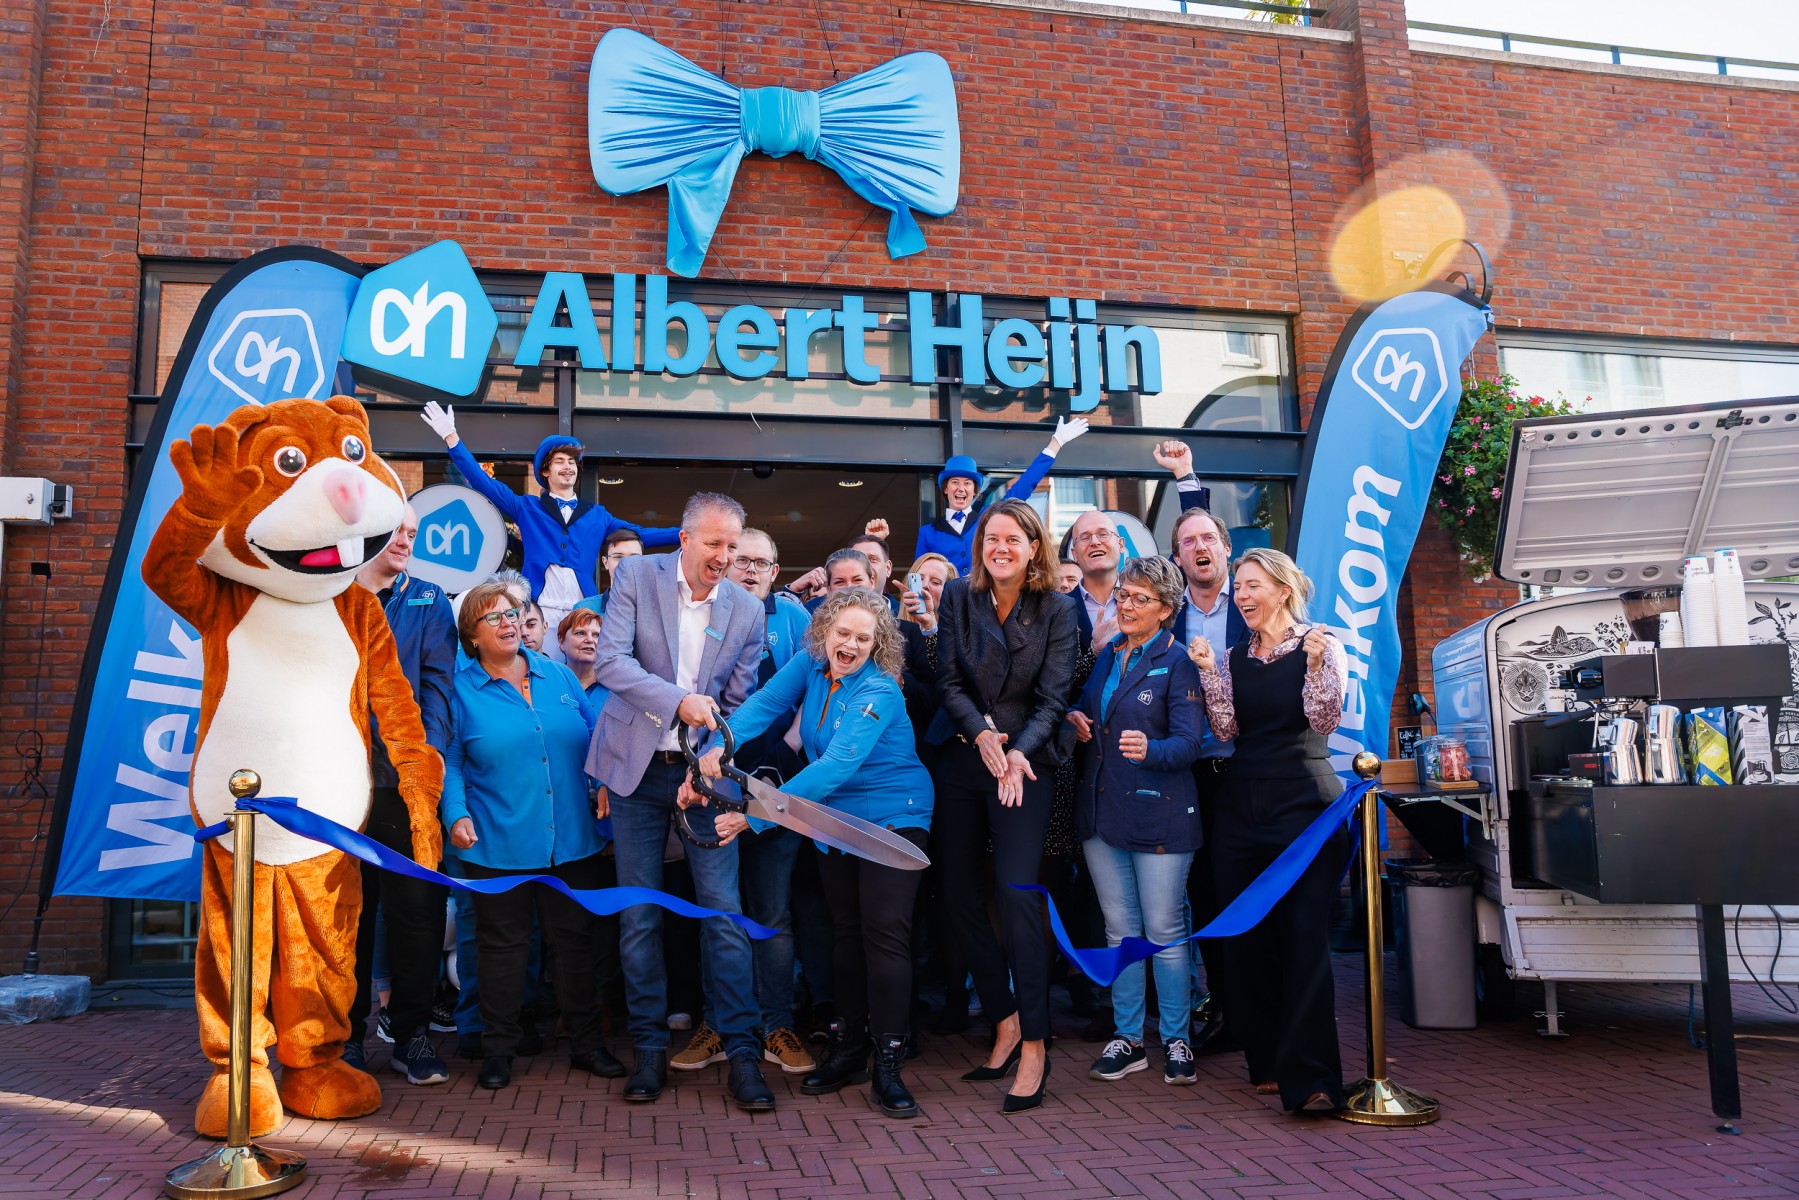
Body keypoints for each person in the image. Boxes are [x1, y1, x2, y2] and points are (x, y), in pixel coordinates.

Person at [697, 587, 934, 1119]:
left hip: (891, 818)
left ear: (878, 646)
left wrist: (757, 815)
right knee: (844, 932)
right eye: (842, 633)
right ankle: (849, 1049)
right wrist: (721, 743)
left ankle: (890, 1063)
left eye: (862, 638)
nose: (849, 645)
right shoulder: (810, 663)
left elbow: (835, 765)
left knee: (884, 937)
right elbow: (765, 705)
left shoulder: (880, 692)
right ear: (824, 629)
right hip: (829, 816)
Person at [588, 492, 777, 1112]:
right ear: (686, 539)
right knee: (639, 911)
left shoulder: (749, 610)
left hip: (704, 773)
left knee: (723, 912)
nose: (725, 558)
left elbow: (740, 702)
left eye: (734, 547)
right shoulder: (637, 575)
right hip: (634, 772)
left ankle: (743, 1053)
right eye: (715, 545)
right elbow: (611, 663)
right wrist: (676, 700)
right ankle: (648, 1049)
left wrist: (707, 756)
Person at [1187, 548, 1350, 1115]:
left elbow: (1327, 720)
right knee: (1247, 940)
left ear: (1283, 590)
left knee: (1303, 939)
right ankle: (1267, 1061)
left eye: (1252, 585)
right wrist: (1210, 674)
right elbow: (1226, 727)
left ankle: (1314, 1081)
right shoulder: (1233, 655)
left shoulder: (1320, 642)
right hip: (1239, 806)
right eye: (1238, 587)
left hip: (1305, 805)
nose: (1242, 596)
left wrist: (1315, 665)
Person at [440, 581, 622, 1091]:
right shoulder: (460, 691)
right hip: (497, 843)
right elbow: (451, 760)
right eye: (492, 617)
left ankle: (588, 1045)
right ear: (471, 637)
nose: (508, 623)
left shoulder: (558, 675)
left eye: (514, 613)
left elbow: (596, 738)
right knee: (502, 951)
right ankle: (497, 1051)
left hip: (573, 841)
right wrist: (455, 813)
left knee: (576, 947)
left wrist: (605, 778)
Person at [932, 498, 1078, 1115]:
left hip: (1028, 762)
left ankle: (1038, 1043)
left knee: (1018, 892)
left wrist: (1016, 750)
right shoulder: (958, 598)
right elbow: (949, 680)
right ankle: (1004, 1017)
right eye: (992, 538)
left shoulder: (1059, 608)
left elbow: (1053, 697)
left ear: (1033, 547)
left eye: (1013, 539)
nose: (1000, 548)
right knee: (956, 891)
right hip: (967, 756)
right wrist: (983, 736)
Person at [672, 527, 817, 1078]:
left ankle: (777, 1025)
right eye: (742, 560)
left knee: (772, 911)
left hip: (780, 788)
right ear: (726, 565)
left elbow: (817, 688)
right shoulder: (706, 617)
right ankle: (720, 1024)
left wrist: (788, 750)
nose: (751, 569)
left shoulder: (796, 620)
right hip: (714, 787)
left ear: (776, 572)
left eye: (763, 561)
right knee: (719, 912)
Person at [1067, 557, 1206, 1087]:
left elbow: (1190, 744)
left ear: (1166, 610)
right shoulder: (1107, 656)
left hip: (1161, 815)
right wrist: (1074, 718)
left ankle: (1176, 1040)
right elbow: (1086, 710)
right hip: (1102, 814)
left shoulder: (1179, 663)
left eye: (1138, 598)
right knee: (1120, 931)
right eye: (1123, 594)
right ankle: (1128, 1038)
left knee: (1166, 932)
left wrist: (1151, 749)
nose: (1124, 604)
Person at [345, 506, 456, 1086]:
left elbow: (438, 684)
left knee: (417, 915)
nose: (407, 540)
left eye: (413, 532)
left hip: (407, 784)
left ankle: (413, 1037)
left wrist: (426, 758)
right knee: (347, 916)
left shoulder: (429, 599)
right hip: (337, 786)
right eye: (397, 530)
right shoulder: (327, 592)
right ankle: (346, 1039)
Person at [420, 402, 677, 644]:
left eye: (572, 462)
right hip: (537, 614)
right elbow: (483, 482)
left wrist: (689, 535)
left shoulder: (598, 515)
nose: (568, 467)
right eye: (560, 461)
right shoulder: (527, 508)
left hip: (582, 614)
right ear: (545, 471)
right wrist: (452, 438)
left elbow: (641, 534)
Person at [1157, 440, 1247, 1058]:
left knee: (1255, 885)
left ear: (1227, 549)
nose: (1199, 547)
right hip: (1195, 773)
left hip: (1253, 771)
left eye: (1208, 538)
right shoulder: (1171, 621)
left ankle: (1260, 1000)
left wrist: (1189, 478)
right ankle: (1224, 1005)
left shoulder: (1256, 604)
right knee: (1208, 891)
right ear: (1177, 557)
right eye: (1188, 542)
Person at [916, 417, 1089, 575]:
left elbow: (1024, 486)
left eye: (967, 483)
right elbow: (918, 575)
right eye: (955, 482)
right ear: (945, 489)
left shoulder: (988, 516)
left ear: (975, 491)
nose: (961, 488)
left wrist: (1056, 442)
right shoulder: (927, 533)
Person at [559, 607, 606, 699]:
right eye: (580, 633)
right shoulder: (549, 683)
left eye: (596, 635)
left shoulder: (615, 687)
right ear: (562, 642)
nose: (590, 640)